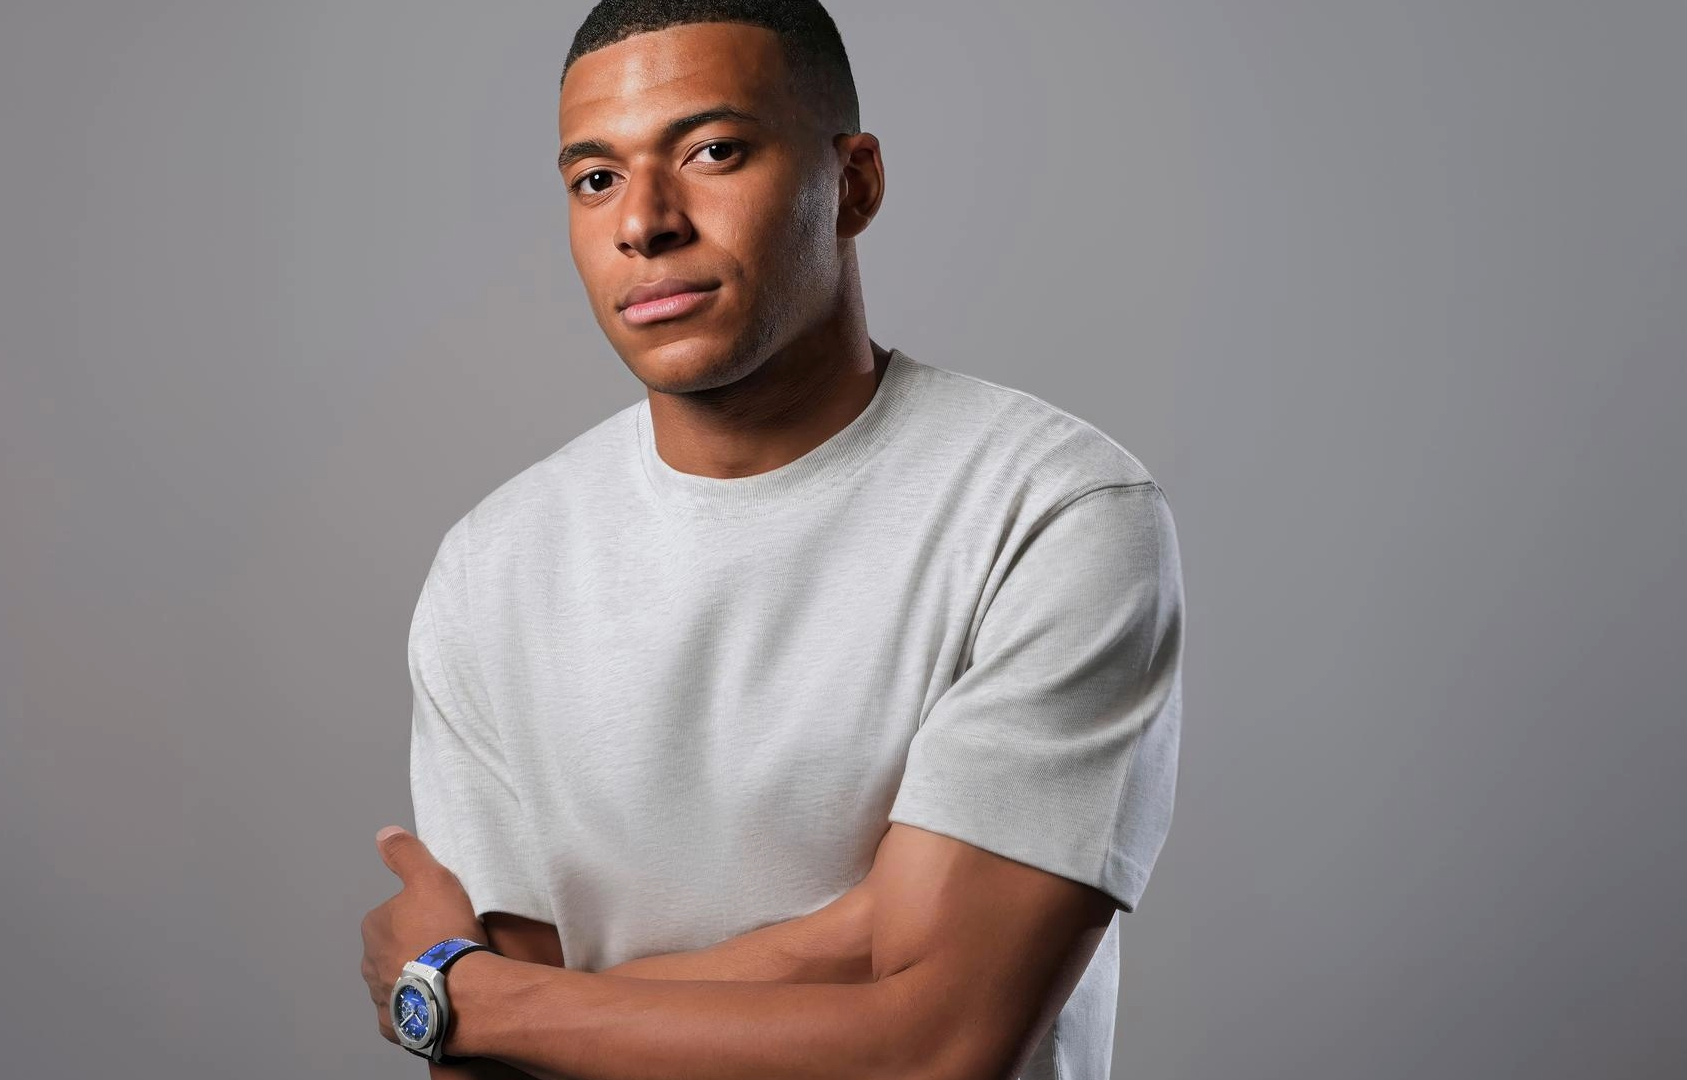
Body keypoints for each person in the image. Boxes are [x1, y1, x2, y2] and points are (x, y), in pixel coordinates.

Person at [358, 3, 1185, 1078]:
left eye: (713, 151)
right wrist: (852, 938)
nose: (644, 222)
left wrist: (464, 996)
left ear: (854, 184)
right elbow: (493, 1067)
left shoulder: (1049, 511)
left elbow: (939, 1048)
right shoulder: (492, 568)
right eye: (596, 178)